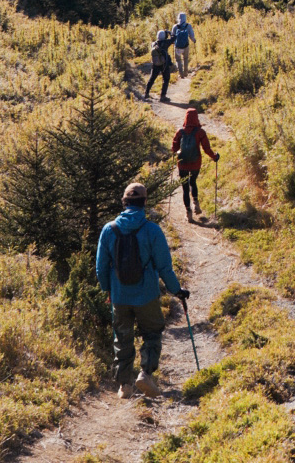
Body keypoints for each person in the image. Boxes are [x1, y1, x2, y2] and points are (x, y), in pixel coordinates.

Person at [95, 180, 189, 399]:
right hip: (146, 294)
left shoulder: (109, 230)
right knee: (152, 332)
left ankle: (124, 385)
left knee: (122, 337)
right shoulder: (152, 231)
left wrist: (108, 290)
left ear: (124, 202)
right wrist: (177, 291)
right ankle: (145, 373)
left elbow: (101, 267)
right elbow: (165, 267)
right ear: (144, 202)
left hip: (119, 295)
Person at [172, 106, 220, 221]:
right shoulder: (200, 132)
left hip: (182, 163)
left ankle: (188, 212)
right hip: (195, 163)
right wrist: (215, 157)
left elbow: (174, 148)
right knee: (193, 182)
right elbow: (206, 149)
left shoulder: (180, 132)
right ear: (196, 118)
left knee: (184, 188)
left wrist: (176, 151)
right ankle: (196, 203)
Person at [171, 12, 196, 78]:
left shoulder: (175, 26)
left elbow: (172, 37)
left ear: (178, 18)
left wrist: (172, 42)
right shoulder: (188, 26)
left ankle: (181, 74)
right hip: (186, 45)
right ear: (185, 18)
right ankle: (185, 73)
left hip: (177, 47)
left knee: (178, 60)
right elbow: (191, 36)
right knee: (185, 58)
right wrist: (194, 40)